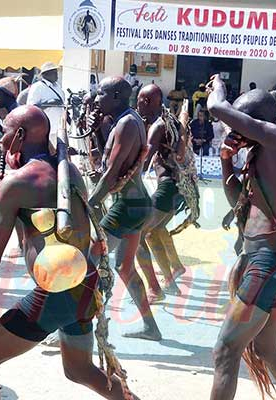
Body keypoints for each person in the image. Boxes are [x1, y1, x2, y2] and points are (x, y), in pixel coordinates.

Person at [0, 105, 134, 400]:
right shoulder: (70, 173)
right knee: (79, 369)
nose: (0, 141)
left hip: (58, 292)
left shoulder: (18, 183)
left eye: (5, 133)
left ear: (20, 136)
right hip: (86, 282)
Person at [207, 75, 276, 400]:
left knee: (225, 349)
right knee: (267, 349)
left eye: (241, 125)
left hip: (266, 263)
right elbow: (239, 201)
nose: (235, 133)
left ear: (257, 123)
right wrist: (225, 161)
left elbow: (216, 107)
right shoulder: (261, 151)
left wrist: (219, 85)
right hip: (260, 259)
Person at [88, 76, 162, 341]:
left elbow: (110, 175)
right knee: (125, 269)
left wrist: (89, 204)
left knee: (88, 262)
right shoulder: (127, 121)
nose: (97, 99)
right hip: (133, 205)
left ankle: (80, 327)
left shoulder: (128, 123)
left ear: (118, 95)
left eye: (101, 94)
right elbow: (109, 164)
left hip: (128, 206)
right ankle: (151, 327)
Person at [135, 84, 193, 299]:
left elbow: (145, 157)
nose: (137, 104)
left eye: (140, 100)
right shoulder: (172, 122)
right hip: (176, 188)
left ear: (148, 101)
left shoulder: (159, 126)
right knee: (155, 231)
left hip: (168, 186)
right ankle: (173, 274)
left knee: (141, 233)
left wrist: (121, 178)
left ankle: (159, 287)